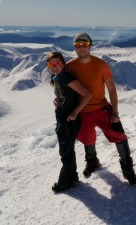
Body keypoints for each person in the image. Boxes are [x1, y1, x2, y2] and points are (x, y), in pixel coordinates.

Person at [67, 33, 136, 185]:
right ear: (74, 47)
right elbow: (63, 89)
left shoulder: (101, 65)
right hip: (82, 111)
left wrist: (115, 112)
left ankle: (128, 169)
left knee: (119, 134)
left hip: (101, 107)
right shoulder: (69, 67)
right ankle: (92, 161)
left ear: (90, 45)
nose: (81, 48)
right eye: (78, 45)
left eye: (84, 44)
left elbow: (111, 89)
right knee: (87, 136)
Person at [46, 51, 92, 193]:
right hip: (62, 117)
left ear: (63, 64)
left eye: (57, 63)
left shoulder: (67, 77)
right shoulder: (57, 77)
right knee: (67, 150)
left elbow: (87, 94)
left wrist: (75, 112)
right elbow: (66, 95)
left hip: (68, 119)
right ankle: (72, 177)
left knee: (65, 151)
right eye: (51, 64)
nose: (54, 66)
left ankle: (65, 182)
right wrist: (58, 100)